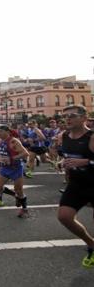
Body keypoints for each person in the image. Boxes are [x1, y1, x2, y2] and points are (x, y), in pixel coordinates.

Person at [56, 105, 94, 268]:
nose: (67, 119)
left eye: (72, 115)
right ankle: (91, 243)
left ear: (84, 117)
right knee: (64, 216)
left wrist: (87, 162)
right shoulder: (64, 136)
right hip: (77, 183)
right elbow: (66, 156)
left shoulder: (91, 137)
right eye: (65, 116)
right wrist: (61, 162)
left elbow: (85, 160)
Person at [0, 125, 30, 218]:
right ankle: (15, 196)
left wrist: (11, 158)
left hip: (16, 168)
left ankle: (25, 209)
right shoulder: (0, 141)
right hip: (5, 168)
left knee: (19, 190)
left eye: (1, 131)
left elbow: (25, 153)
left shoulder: (14, 141)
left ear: (7, 132)